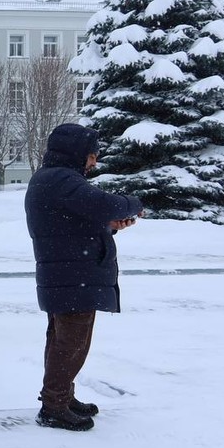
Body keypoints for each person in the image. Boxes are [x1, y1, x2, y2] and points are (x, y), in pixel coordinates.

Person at [25, 123, 142, 432]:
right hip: (72, 275)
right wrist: (134, 204)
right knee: (71, 342)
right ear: (79, 154)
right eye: (92, 156)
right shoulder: (62, 180)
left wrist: (111, 226)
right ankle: (54, 405)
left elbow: (73, 223)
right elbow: (106, 204)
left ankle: (61, 395)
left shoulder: (52, 179)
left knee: (63, 340)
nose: (95, 163)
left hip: (69, 273)